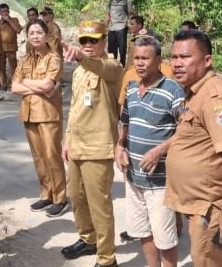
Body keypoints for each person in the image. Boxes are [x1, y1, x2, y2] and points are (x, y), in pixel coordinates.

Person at [165, 29, 222, 267]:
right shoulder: (195, 92)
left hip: (210, 209)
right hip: (198, 205)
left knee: (210, 261)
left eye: (185, 57)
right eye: (174, 57)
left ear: (207, 60)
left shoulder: (214, 97)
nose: (177, 64)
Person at [59, 20, 123, 267]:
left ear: (104, 42)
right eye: (83, 41)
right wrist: (66, 139)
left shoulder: (111, 67)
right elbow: (74, 109)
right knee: (77, 197)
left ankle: (107, 258)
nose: (87, 45)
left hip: (98, 148)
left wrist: (80, 58)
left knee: (100, 205)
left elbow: (102, 68)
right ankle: (88, 239)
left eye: (93, 40)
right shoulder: (78, 72)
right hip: (76, 145)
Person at [116, 36, 183, 267]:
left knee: (165, 237)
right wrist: (119, 146)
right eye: (136, 58)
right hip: (134, 177)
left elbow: (186, 132)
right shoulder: (132, 89)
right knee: (143, 231)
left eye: (145, 58)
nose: (140, 63)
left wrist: (159, 151)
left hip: (160, 182)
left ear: (159, 60)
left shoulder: (173, 90)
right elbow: (124, 123)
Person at [11, 19, 68, 217]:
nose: (35, 36)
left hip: (48, 114)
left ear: (47, 36)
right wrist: (36, 85)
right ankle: (46, 194)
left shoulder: (54, 58)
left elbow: (48, 85)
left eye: (39, 32)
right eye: (31, 33)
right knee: (38, 157)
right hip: (29, 113)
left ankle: (60, 198)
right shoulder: (24, 60)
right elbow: (14, 87)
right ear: (27, 36)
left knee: (52, 156)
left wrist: (26, 83)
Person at [105, 0, 134, 67]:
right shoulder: (111, 1)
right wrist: (105, 26)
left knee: (122, 50)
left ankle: (122, 68)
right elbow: (108, 15)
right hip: (112, 28)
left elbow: (130, 15)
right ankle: (112, 67)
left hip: (122, 28)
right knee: (111, 50)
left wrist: (132, 27)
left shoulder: (126, 1)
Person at [0, 3, 22, 91]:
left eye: (6, 11)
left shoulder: (15, 20)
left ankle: (15, 84)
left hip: (11, 48)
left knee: (13, 67)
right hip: (0, 48)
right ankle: (3, 85)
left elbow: (18, 30)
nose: (5, 13)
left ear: (9, 11)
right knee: (1, 67)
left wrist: (9, 21)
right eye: (2, 11)